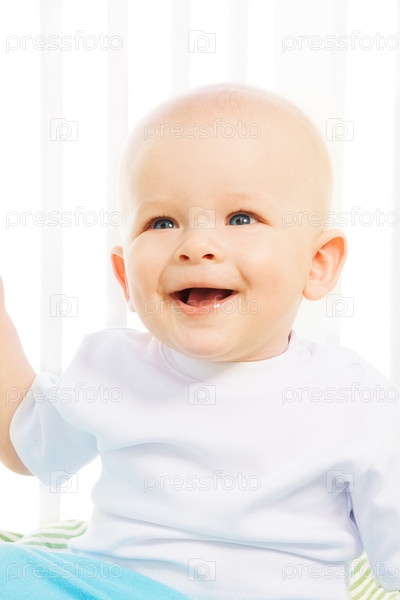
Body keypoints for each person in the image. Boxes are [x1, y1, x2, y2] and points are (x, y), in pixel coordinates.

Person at [0, 83, 399, 599]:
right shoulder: (111, 366)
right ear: (124, 277)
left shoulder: (353, 397)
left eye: (241, 218)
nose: (196, 246)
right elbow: (25, 448)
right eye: (162, 222)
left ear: (317, 264)